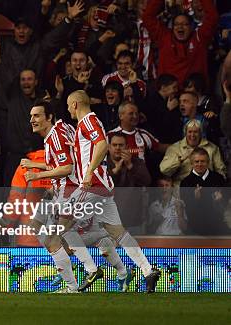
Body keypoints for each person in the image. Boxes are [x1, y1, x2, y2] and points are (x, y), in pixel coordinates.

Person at [66, 90, 161, 293]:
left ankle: (91, 270)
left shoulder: (88, 122)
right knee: (117, 231)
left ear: (75, 104)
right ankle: (147, 269)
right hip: (103, 186)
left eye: (68, 106)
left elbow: (102, 144)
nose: (68, 110)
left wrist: (89, 173)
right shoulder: (88, 123)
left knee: (61, 225)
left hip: (93, 185)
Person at [22, 101, 103, 293]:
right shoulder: (59, 130)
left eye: (37, 116)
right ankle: (66, 264)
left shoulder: (56, 136)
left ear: (49, 117)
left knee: (54, 239)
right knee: (36, 224)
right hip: (60, 188)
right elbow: (63, 161)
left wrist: (37, 175)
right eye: (31, 116)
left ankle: (77, 276)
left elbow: (68, 167)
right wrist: (36, 165)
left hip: (69, 189)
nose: (32, 120)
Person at [107, 132, 151, 234]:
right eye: (114, 145)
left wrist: (130, 165)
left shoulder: (137, 162)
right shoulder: (102, 164)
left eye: (121, 145)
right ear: (109, 147)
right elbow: (99, 187)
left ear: (127, 147)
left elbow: (147, 181)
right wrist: (114, 172)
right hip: (108, 223)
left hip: (133, 223)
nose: (117, 148)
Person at [160, 119, 226, 186]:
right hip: (181, 190)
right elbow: (164, 170)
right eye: (190, 132)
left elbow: (221, 172)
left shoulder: (212, 148)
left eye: (195, 132)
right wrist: (180, 159)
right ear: (185, 133)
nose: (192, 135)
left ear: (200, 133)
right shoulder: (174, 148)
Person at [180, 148, 229, 235]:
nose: (199, 164)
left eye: (202, 161)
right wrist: (195, 198)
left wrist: (221, 199)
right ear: (191, 163)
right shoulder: (185, 182)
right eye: (196, 161)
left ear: (208, 162)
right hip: (195, 227)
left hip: (217, 226)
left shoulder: (218, 178)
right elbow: (186, 208)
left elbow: (226, 203)